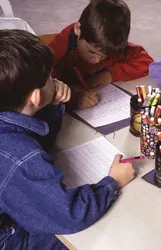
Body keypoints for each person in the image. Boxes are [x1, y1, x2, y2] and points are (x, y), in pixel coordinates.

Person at [0, 30, 135, 249]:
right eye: (49, 78)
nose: (54, 80)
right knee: (100, 235)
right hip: (9, 237)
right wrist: (113, 182)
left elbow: (37, 139)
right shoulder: (20, 158)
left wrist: (52, 103)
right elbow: (69, 214)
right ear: (35, 96)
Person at [49, 0, 153, 109]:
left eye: (105, 55)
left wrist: (112, 74)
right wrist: (73, 97)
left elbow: (145, 61)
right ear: (77, 30)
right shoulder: (60, 47)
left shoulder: (110, 43)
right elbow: (39, 80)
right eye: (91, 51)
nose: (97, 60)